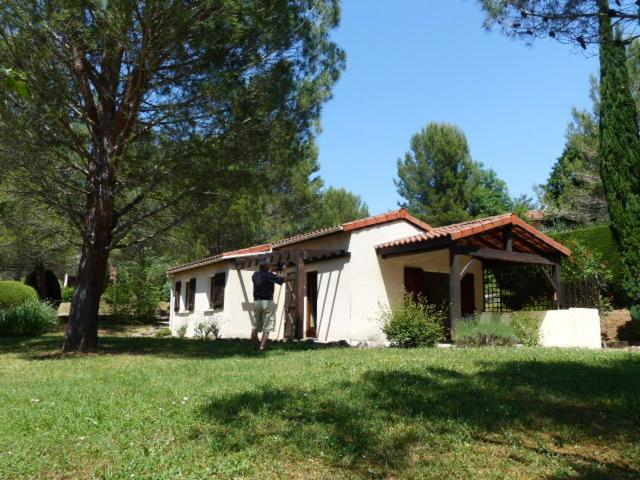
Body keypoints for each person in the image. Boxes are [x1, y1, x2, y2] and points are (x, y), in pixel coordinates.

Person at [251, 257, 286, 351]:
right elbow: (282, 281)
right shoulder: (269, 275)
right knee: (267, 326)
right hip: (267, 302)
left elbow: (264, 276)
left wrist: (270, 270)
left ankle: (255, 347)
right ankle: (262, 347)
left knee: (255, 326)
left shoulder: (255, 275)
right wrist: (284, 271)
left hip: (257, 302)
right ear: (267, 265)